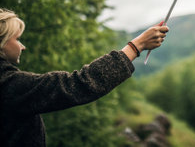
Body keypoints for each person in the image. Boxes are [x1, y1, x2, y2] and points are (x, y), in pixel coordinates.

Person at [0, 8, 169, 147]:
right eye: (18, 39)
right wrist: (136, 46)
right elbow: (79, 84)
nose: (23, 47)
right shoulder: (8, 85)